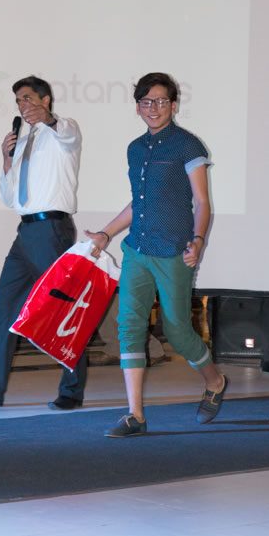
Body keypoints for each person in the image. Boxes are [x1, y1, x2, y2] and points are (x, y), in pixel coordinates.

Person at [86, 72, 227, 437]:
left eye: (161, 101)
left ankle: (214, 381)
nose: (154, 108)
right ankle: (135, 415)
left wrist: (198, 240)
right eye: (146, 102)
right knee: (129, 326)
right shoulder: (135, 149)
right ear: (137, 107)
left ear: (174, 105)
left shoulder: (187, 145)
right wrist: (106, 233)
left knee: (178, 332)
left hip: (173, 251)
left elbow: (202, 201)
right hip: (137, 249)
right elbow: (139, 202)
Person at [0, 76, 87, 409]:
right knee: (3, 310)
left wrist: (47, 119)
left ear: (45, 99)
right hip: (25, 233)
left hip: (51, 230)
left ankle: (71, 391)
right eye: (19, 101)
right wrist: (7, 160)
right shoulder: (22, 143)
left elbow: (64, 131)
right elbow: (11, 197)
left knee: (62, 311)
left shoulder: (64, 130)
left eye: (27, 98)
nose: (23, 106)